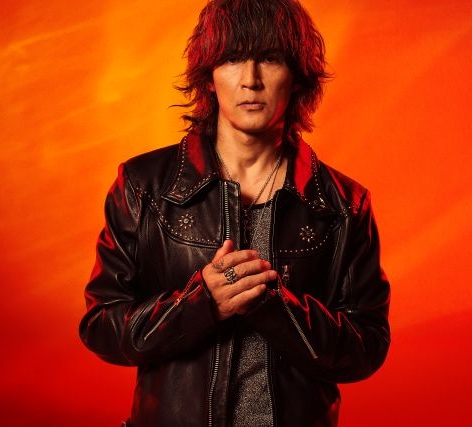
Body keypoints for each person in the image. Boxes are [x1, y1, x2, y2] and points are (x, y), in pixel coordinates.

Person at [79, 0, 390, 425]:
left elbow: (366, 348)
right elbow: (101, 326)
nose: (250, 80)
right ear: (208, 76)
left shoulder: (343, 205)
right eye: (232, 59)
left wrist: (274, 306)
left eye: (270, 59)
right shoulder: (144, 186)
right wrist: (200, 304)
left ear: (298, 76)